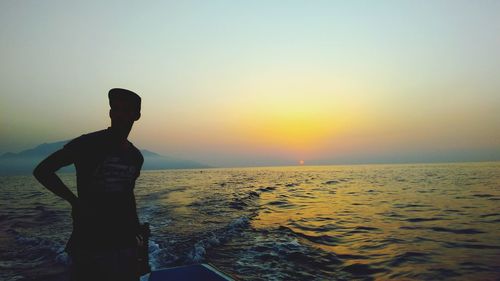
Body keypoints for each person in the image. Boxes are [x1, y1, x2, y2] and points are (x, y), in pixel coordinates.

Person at [33, 88, 144, 281]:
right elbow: (43, 170)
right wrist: (74, 202)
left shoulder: (136, 157)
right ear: (110, 113)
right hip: (90, 241)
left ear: (137, 115)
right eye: (115, 109)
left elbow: (127, 194)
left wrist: (136, 228)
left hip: (125, 241)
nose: (119, 115)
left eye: (126, 110)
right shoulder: (87, 144)